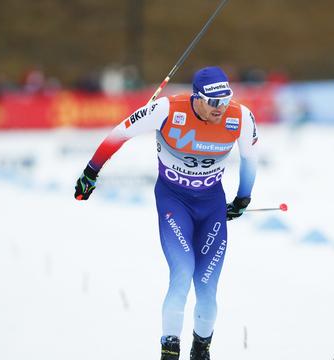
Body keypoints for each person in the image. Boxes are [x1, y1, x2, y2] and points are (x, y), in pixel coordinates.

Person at [73, 66, 258, 360]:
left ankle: (201, 350)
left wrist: (243, 198)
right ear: (197, 98)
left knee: (207, 287)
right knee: (182, 274)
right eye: (213, 102)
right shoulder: (167, 109)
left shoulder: (240, 116)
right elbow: (119, 134)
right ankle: (169, 351)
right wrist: (91, 172)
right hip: (175, 202)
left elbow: (249, 159)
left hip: (211, 206)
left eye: (224, 101)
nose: (220, 109)